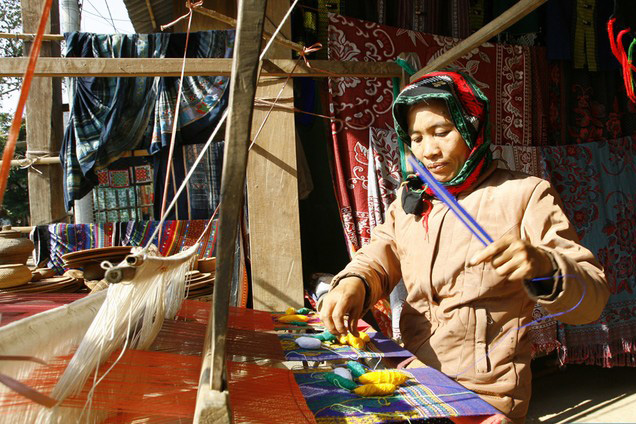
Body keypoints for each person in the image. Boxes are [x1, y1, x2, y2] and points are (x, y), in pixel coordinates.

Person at [319, 71, 609, 423]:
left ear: (471, 127)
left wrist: (545, 266)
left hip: (484, 397)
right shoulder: (413, 201)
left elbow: (590, 300)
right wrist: (355, 282)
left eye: (442, 132)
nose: (430, 151)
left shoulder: (525, 195)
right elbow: (383, 251)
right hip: (419, 378)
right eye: (417, 138)